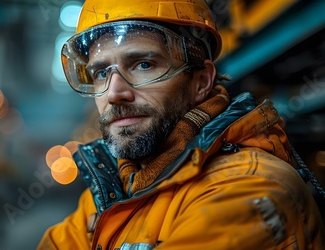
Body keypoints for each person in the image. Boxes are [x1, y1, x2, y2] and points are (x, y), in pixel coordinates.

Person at [38, 0, 324, 249]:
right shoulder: (114, 189)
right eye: (101, 73)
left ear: (200, 82)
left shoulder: (252, 190)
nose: (114, 93)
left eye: (143, 64)